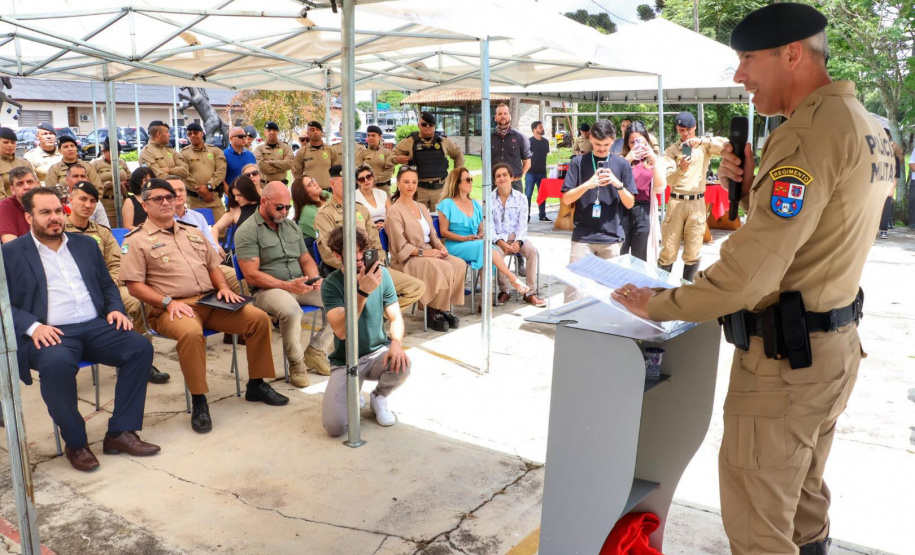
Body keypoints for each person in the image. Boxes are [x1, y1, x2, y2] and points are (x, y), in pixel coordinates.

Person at [612, 5, 892, 554]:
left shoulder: (806, 134)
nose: (739, 75)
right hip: (832, 351)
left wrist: (660, 303)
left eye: (746, 59)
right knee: (803, 501)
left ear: (791, 54)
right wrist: (752, 185)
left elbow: (751, 274)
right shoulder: (869, 126)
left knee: (759, 526)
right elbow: (822, 226)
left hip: (784, 367)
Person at [4, 187, 159, 471]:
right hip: (52, 332)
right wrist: (32, 326)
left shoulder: (85, 244)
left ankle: (120, 433)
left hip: (95, 325)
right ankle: (76, 443)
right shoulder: (10, 253)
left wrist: (115, 308)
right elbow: (3, 304)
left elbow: (106, 285)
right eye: (45, 212)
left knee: (139, 348)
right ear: (28, 217)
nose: (55, 218)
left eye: (57, 211)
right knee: (57, 365)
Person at [121, 179, 288, 434]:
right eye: (158, 199)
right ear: (144, 204)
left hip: (210, 300)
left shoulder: (192, 231)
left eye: (169, 197)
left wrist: (222, 288)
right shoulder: (136, 240)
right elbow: (134, 286)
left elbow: (213, 267)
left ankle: (256, 384)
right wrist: (168, 302)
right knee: (190, 333)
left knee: (258, 318)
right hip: (170, 308)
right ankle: (199, 400)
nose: (166, 202)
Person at [64, 181, 171, 385]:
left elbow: (115, 262)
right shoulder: (59, 230)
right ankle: (66, 367)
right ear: (70, 199)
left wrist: (108, 286)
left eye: (93, 201)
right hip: (74, 293)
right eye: (82, 199)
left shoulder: (102, 232)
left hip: (109, 287)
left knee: (140, 303)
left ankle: (141, 361)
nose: (88, 205)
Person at [235, 181, 333, 387]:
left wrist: (314, 278)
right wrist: (289, 286)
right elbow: (252, 276)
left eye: (287, 207)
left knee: (343, 298)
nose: (284, 212)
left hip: (298, 283)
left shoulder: (289, 226)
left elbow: (305, 259)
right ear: (263, 202)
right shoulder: (247, 231)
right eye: (279, 207)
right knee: (291, 311)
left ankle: (316, 349)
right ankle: (296, 363)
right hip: (267, 290)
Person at [321, 226, 411, 436]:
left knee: (403, 363)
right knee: (334, 427)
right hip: (346, 361)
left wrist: (396, 344)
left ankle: (379, 396)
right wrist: (362, 291)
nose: (360, 257)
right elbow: (342, 331)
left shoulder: (382, 275)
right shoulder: (331, 284)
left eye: (363, 251)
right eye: (353, 252)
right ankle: (354, 391)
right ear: (337, 255)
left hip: (376, 353)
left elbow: (396, 317)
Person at [314, 165, 425, 311]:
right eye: (343, 182)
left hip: (372, 268)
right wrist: (355, 268)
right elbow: (327, 253)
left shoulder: (360, 209)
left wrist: (378, 262)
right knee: (368, 293)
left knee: (416, 287)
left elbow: (375, 241)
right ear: (332, 184)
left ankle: (378, 319)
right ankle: (368, 320)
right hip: (348, 273)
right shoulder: (324, 214)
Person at [560, 119, 636, 303]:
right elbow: (567, 198)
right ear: (590, 139)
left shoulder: (622, 164)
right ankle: (570, 323)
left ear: (614, 140)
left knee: (611, 290)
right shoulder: (579, 162)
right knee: (575, 286)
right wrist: (587, 185)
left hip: (611, 236)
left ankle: (605, 324)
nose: (602, 149)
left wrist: (617, 184)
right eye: (598, 144)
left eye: (607, 145)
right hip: (583, 235)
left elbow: (630, 203)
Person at [385, 166, 465, 332]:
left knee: (458, 264)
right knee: (443, 266)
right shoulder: (394, 211)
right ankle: (432, 310)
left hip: (429, 252)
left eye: (414, 182)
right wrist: (425, 253)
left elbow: (433, 235)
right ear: (398, 184)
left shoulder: (421, 207)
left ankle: (444, 306)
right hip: (408, 258)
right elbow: (400, 246)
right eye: (406, 182)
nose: (411, 186)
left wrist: (440, 247)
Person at [437, 166, 530, 307]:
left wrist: (480, 234)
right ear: (456, 183)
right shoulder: (447, 204)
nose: (471, 182)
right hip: (455, 244)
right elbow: (444, 232)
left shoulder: (475, 203)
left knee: (486, 249)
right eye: (467, 180)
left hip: (475, 243)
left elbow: (482, 227)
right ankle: (512, 278)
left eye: (471, 179)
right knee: (485, 247)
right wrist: (465, 238)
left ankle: (484, 299)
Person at [659, 111, 727, 281]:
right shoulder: (671, 151)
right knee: (668, 250)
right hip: (677, 201)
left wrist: (702, 141)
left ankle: (686, 290)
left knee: (693, 251)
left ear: (695, 127)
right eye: (682, 130)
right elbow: (669, 179)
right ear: (677, 129)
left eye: (689, 130)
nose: (686, 134)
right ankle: (661, 289)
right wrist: (680, 168)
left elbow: (726, 145)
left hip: (697, 202)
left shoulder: (704, 147)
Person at [491, 163, 545, 307]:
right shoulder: (488, 199)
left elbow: (523, 224)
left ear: (512, 178)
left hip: (517, 237)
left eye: (505, 175)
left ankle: (530, 293)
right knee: (497, 255)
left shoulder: (521, 198)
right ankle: (504, 291)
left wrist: (518, 242)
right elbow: (489, 226)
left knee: (532, 251)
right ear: (494, 180)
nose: (502, 178)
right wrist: (501, 242)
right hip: (498, 240)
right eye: (498, 176)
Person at [393, 111, 465, 211]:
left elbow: (458, 155)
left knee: (441, 221)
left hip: (440, 190)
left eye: (430, 124)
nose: (427, 127)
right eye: (424, 124)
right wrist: (397, 159)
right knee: (416, 221)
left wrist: (456, 176)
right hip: (418, 190)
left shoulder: (443, 141)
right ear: (418, 125)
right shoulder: (410, 141)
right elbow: (392, 155)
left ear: (434, 126)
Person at [619, 121, 668, 263]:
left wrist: (654, 160)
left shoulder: (655, 161)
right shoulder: (621, 160)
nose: (636, 145)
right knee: (620, 253)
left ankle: (637, 285)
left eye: (640, 141)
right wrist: (627, 160)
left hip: (644, 210)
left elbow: (660, 188)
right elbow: (613, 183)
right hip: (623, 209)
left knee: (640, 258)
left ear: (647, 141)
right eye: (632, 142)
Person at [180, 122, 228, 225]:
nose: (192, 135)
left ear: (202, 133)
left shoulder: (215, 151)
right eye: (189, 134)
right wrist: (202, 190)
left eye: (195, 132)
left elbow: (221, 171)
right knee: (196, 232)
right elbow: (185, 176)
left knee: (222, 230)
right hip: (194, 200)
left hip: (213, 197)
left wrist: (209, 187)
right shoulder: (184, 154)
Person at [211, 175, 261, 250]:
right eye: (234, 195)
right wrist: (216, 245)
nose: (236, 199)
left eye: (239, 195)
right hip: (245, 250)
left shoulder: (263, 205)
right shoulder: (235, 210)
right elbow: (215, 228)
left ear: (248, 192)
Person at [491, 103, 531, 193]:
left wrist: (518, 177)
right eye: (500, 114)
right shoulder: (488, 139)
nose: (503, 116)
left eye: (505, 113)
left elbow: (527, 163)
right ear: (495, 117)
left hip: (515, 185)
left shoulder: (520, 137)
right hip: (494, 185)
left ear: (510, 116)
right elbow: (485, 162)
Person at [90, 141, 131, 225]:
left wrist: (128, 184)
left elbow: (130, 178)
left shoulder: (122, 162)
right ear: (104, 151)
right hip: (107, 204)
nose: (117, 155)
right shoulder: (95, 164)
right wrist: (109, 184)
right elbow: (92, 185)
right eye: (114, 152)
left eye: (119, 152)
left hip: (124, 202)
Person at [292, 121, 340, 191]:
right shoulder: (302, 152)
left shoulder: (331, 150)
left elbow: (336, 173)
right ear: (308, 133)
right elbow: (297, 174)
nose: (315, 132)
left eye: (317, 129)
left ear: (322, 133)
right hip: (310, 192)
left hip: (328, 191)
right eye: (312, 130)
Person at [0, 166, 39, 242]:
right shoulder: (5, 206)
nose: (26, 187)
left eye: (30, 182)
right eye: (20, 184)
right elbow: (10, 243)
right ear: (13, 190)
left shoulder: (49, 199)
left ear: (37, 184)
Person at [291, 174, 328, 255]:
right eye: (310, 184)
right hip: (327, 252)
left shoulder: (326, 195)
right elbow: (329, 235)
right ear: (303, 193)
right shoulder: (307, 212)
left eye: (313, 180)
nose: (315, 183)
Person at [356, 124, 395, 195]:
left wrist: (374, 180)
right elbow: (358, 170)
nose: (370, 138)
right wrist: (368, 181)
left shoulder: (386, 153)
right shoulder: (362, 153)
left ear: (380, 136)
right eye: (368, 135)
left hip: (383, 188)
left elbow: (389, 171)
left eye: (373, 135)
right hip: (366, 189)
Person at [878, 132, 902, 239]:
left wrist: (891, 189)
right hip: (876, 185)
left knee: (886, 208)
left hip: (888, 185)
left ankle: (883, 229)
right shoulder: (875, 157)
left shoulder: (895, 160)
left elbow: (896, 177)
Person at [526, 120, 551, 222]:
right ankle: (526, 216)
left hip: (542, 172)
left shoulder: (546, 142)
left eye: (542, 127)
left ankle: (542, 215)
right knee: (528, 194)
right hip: (530, 172)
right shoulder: (528, 142)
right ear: (534, 130)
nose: (542, 129)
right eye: (540, 128)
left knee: (543, 194)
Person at [354, 164, 390, 230]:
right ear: (358, 182)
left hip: (386, 228)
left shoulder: (382, 193)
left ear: (373, 177)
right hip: (366, 230)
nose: (366, 180)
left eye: (368, 177)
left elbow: (391, 215)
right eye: (362, 179)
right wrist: (373, 227)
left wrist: (385, 225)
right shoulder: (354, 197)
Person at [0, 126, 32, 200]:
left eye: (13, 142)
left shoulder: (24, 163)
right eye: (6, 142)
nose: (10, 145)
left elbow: (35, 185)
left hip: (28, 205)